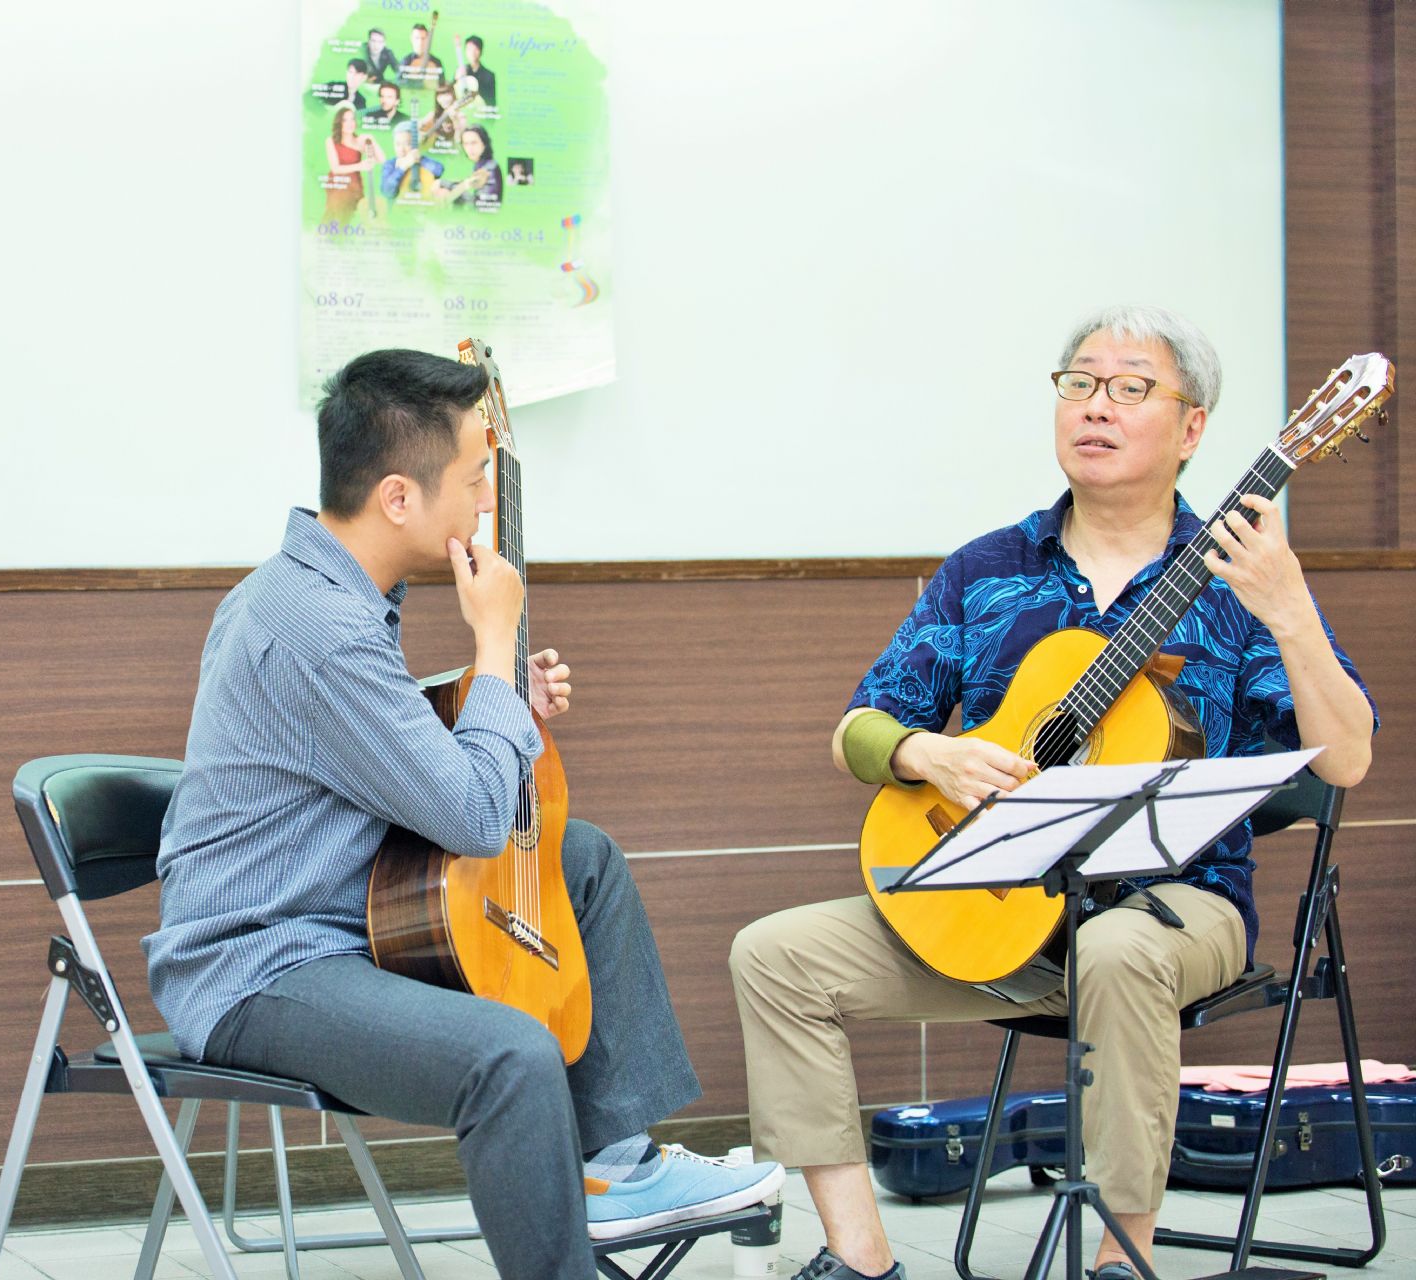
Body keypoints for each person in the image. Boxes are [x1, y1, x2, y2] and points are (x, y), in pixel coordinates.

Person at [728, 305, 1376, 1280]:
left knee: (1117, 949)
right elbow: (858, 727)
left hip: (1177, 907)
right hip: (998, 912)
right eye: (1080, 382)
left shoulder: (1241, 581)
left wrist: (1289, 611)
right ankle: (860, 1256)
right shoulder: (987, 570)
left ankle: (1121, 1260)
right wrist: (927, 755)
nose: (1096, 406)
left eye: (1130, 387)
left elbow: (1348, 758)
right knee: (774, 955)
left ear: (1192, 428)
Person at [145, 349, 785, 1280]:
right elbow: (478, 820)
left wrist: (492, 695)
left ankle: (616, 1168)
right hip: (262, 964)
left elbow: (370, 742)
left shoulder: (319, 590)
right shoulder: (316, 625)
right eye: (475, 478)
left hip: (350, 916)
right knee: (511, 1057)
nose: (487, 502)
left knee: (581, 858)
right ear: (399, 498)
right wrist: (492, 645)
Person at [322, 104, 382, 221]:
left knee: (348, 218)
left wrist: (372, 139)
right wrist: (360, 166)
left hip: (354, 186)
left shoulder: (360, 140)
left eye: (352, 119)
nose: (350, 123)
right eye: (345, 120)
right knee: (334, 217)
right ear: (339, 123)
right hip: (338, 185)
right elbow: (335, 168)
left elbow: (380, 159)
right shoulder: (331, 141)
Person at [439, 126, 502, 210]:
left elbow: (479, 205)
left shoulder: (490, 167)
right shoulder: (480, 164)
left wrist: (445, 184)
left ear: (484, 144)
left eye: (474, 143)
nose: (470, 148)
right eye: (466, 144)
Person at [381, 120, 443, 202]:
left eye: (407, 144)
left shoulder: (422, 160)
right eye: (397, 144)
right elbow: (387, 192)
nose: (401, 149)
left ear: (415, 144)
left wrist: (418, 159)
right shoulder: (390, 164)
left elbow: (439, 170)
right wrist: (402, 168)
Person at [421, 81, 468, 151]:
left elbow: (458, 142)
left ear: (453, 95)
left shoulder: (461, 116)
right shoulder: (435, 114)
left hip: (451, 151)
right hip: (435, 150)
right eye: (440, 96)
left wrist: (455, 120)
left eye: (447, 95)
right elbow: (419, 125)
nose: (443, 99)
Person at [399, 22, 443, 88]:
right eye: (417, 38)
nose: (420, 42)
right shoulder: (406, 61)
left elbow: (442, 84)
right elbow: (399, 82)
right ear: (411, 39)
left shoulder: (436, 62)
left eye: (423, 38)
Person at [461, 34, 497, 106]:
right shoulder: (460, 72)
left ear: (481, 51)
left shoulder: (489, 75)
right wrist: (457, 80)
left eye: (475, 49)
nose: (472, 53)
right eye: (469, 49)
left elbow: (491, 102)